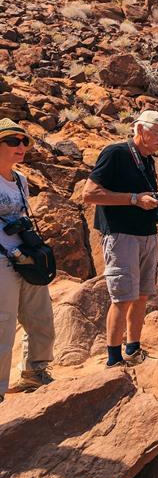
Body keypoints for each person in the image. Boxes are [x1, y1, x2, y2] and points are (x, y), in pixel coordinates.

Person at [82, 110, 158, 368]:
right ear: (140, 130)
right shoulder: (116, 153)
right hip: (121, 235)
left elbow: (144, 194)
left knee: (142, 294)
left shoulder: (147, 160)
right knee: (122, 297)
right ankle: (113, 358)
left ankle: (133, 349)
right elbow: (90, 194)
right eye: (157, 134)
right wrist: (134, 199)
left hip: (146, 234)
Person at [0, 118, 55, 401]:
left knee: (41, 317)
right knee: (3, 323)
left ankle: (35, 371)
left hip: (26, 257)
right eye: (12, 141)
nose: (20, 147)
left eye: (23, 142)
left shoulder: (21, 180)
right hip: (1, 259)